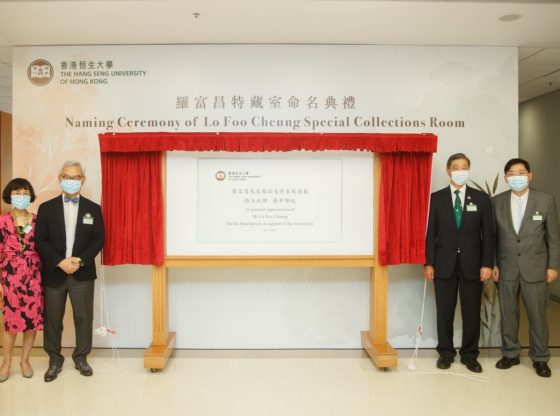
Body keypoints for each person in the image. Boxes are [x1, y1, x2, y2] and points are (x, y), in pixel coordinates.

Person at [424, 153, 494, 373]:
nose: (460, 171)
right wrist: (428, 263)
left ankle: (470, 355)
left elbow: (489, 235)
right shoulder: (436, 199)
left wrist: (487, 264)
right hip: (443, 265)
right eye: (456, 167)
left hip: (473, 265)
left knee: (471, 311)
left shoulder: (481, 199)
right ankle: (445, 353)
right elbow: (429, 235)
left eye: (465, 167)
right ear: (448, 170)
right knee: (444, 311)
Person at [35, 161, 104, 382]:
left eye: (76, 177)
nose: (71, 181)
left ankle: (81, 358)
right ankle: (54, 360)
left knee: (83, 318)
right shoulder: (46, 208)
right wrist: (59, 262)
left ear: (82, 180)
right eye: (67, 176)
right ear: (59, 178)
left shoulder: (93, 208)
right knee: (52, 320)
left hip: (81, 274)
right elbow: (40, 240)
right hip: (54, 273)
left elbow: (98, 239)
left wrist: (80, 260)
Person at [492, 158, 559, 378]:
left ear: (530, 175)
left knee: (537, 315)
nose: (517, 177)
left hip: (537, 268)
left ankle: (540, 358)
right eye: (512, 173)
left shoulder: (545, 200)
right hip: (506, 267)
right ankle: (510, 353)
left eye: (521, 173)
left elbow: (553, 238)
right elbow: (491, 238)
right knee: (508, 314)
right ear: (505, 178)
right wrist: (493, 264)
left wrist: (552, 266)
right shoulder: (496, 201)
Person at [0, 178, 43, 382]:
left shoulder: (37, 221)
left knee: (31, 321)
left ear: (31, 196)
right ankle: (6, 362)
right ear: (10, 195)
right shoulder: (2, 221)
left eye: (25, 193)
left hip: (34, 276)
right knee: (10, 321)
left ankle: (25, 360)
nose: (22, 196)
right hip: (9, 277)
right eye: (17, 192)